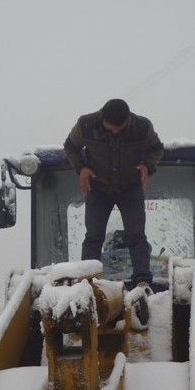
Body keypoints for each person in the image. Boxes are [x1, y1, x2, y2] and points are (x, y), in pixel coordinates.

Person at [63, 99, 163, 292]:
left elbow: (156, 148)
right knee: (93, 237)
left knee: (136, 236)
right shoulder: (85, 125)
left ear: (128, 120)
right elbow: (70, 147)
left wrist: (147, 166)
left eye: (120, 128)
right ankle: (88, 283)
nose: (116, 132)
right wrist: (81, 168)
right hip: (98, 188)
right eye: (111, 129)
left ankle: (142, 282)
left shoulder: (142, 127)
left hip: (130, 188)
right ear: (102, 119)